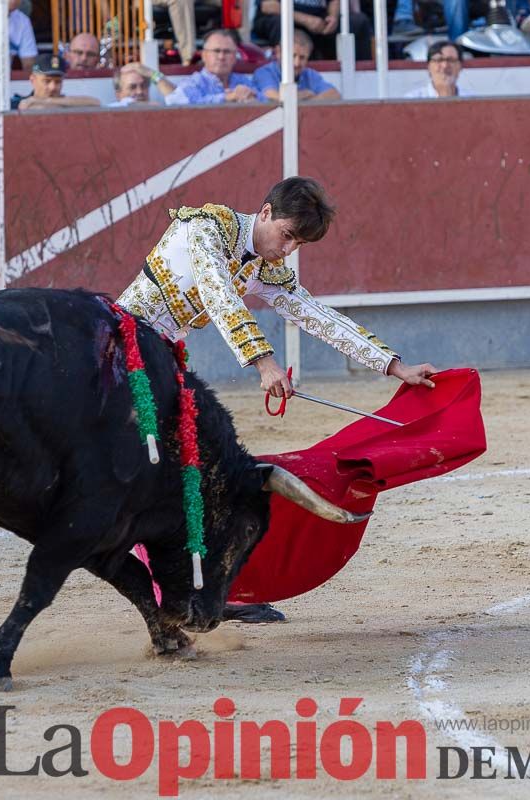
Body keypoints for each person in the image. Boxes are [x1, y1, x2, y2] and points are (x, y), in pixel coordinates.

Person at [117, 177, 437, 623]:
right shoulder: (203, 228)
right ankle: (178, 594)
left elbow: (314, 314)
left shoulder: (260, 265)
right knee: (177, 472)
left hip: (158, 363)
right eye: (288, 236)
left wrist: (392, 365)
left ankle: (193, 591)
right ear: (265, 213)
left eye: (298, 244)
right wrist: (265, 362)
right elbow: (218, 294)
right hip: (120, 354)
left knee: (194, 470)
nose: (288, 250)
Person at [164, 29, 259, 106]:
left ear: (235, 57)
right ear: (204, 55)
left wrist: (253, 99)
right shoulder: (193, 83)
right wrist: (227, 98)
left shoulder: (244, 81)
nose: (221, 57)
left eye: (227, 52)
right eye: (216, 51)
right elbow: (183, 103)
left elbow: (265, 101)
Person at [252, 29, 340, 102]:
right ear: (279, 52)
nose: (296, 63)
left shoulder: (310, 74)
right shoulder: (264, 72)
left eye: (302, 58)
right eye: (292, 56)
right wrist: (304, 94)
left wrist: (306, 102)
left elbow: (334, 95)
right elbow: (273, 97)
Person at [11, 53, 99, 110]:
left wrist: (46, 101)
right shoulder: (17, 102)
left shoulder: (67, 102)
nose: (52, 87)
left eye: (58, 82)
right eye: (47, 81)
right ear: (33, 80)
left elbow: (95, 103)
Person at [404, 39, 470, 98]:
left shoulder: (472, 99)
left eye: (451, 60)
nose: (445, 65)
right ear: (428, 67)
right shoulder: (412, 100)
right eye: (439, 60)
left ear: (460, 66)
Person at [109, 61, 176, 106]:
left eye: (144, 86)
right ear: (118, 95)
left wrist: (152, 74)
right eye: (132, 87)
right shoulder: (110, 112)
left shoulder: (156, 111)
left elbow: (178, 101)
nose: (139, 91)